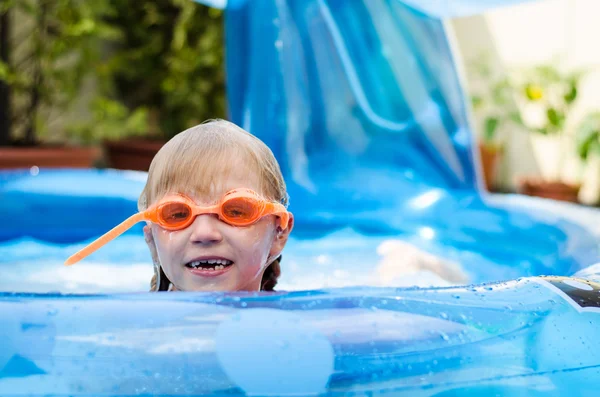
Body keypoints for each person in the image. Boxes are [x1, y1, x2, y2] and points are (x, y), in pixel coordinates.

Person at [65, 119, 294, 292]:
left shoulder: (295, 324)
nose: (205, 234)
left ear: (279, 234)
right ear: (152, 240)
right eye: (176, 214)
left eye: (235, 211)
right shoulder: (139, 330)